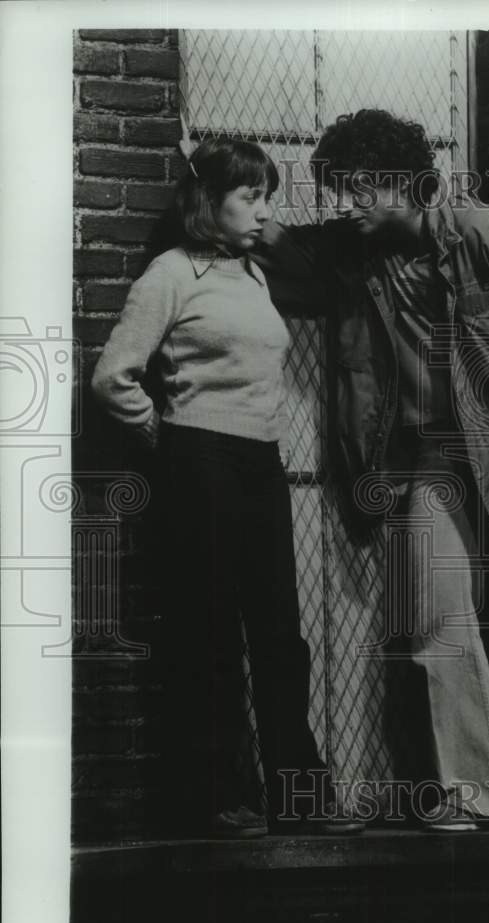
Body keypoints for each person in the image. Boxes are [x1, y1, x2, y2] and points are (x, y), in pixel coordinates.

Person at [254, 109, 489, 831]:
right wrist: (217, 204)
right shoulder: (358, 255)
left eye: (359, 191)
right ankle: (472, 791)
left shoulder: (485, 235)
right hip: (425, 461)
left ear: (403, 184)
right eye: (337, 193)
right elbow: (281, 253)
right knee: (436, 624)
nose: (345, 207)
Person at [91, 137, 363, 837]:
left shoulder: (257, 274)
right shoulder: (169, 274)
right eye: (251, 196)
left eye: (266, 195)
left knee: (280, 638)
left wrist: (266, 230)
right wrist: (172, 439)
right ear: (209, 202)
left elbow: (332, 291)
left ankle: (300, 798)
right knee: (208, 636)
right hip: (199, 462)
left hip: (260, 464)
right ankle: (219, 797)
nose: (264, 208)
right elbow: (113, 376)